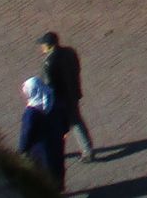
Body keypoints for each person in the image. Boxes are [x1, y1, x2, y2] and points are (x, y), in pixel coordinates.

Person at [39, 32, 95, 162]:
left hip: (59, 100)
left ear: (49, 45)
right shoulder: (70, 52)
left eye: (43, 44)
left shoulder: (49, 63)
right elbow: (77, 69)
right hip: (73, 93)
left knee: (61, 125)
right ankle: (87, 150)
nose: (41, 47)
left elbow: (49, 85)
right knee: (75, 121)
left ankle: (84, 152)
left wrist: (46, 102)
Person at [18, 75, 66, 189]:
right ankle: (59, 186)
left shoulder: (31, 112)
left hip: (40, 148)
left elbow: (27, 132)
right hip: (57, 142)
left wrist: (22, 148)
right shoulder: (54, 101)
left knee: (43, 173)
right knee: (57, 167)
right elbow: (64, 119)